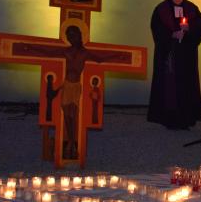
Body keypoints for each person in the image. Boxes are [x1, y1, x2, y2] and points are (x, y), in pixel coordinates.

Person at [12, 25, 131, 158]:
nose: (71, 37)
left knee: (73, 115)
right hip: (67, 85)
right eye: (69, 35)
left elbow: (101, 58)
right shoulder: (65, 51)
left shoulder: (85, 53)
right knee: (67, 115)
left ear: (79, 35)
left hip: (75, 86)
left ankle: (73, 144)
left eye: (73, 34)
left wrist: (119, 55)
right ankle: (70, 143)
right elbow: (48, 53)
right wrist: (31, 47)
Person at [147, 0, 201, 130]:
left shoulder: (191, 9)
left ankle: (186, 119)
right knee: (169, 87)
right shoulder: (161, 9)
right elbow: (157, 28)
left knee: (186, 86)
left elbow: (200, 25)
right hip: (169, 54)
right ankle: (169, 119)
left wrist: (189, 28)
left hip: (186, 56)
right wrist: (171, 34)